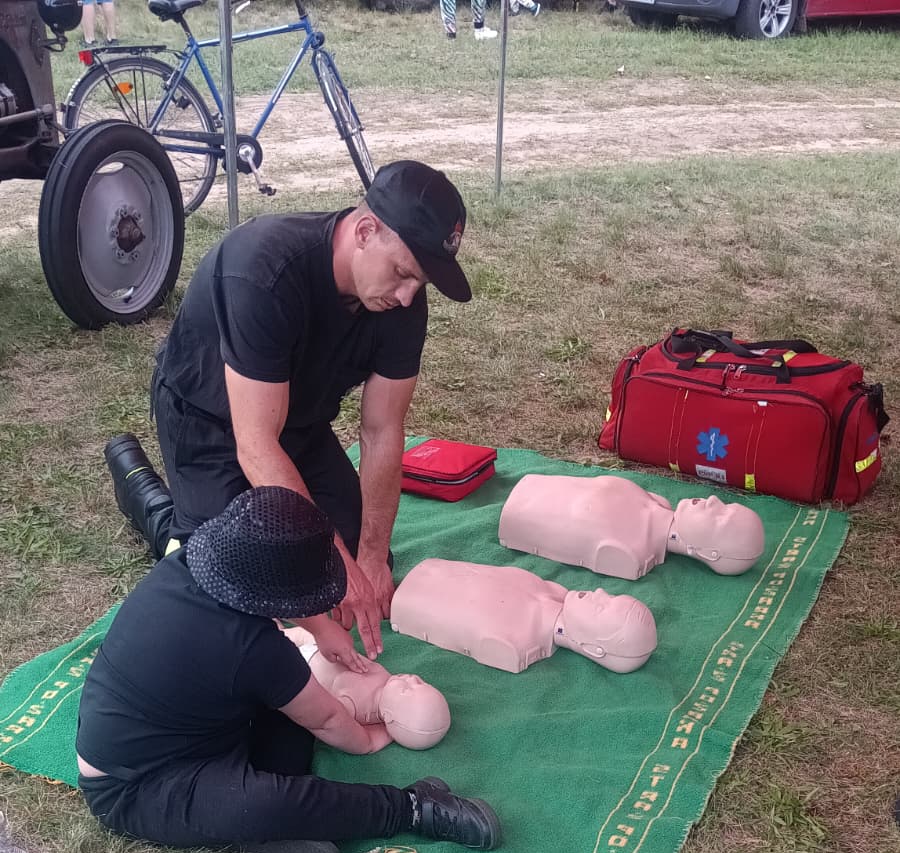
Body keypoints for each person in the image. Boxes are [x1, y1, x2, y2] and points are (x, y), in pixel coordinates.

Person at [104, 160, 472, 662]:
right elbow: (255, 443)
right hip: (207, 422)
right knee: (234, 580)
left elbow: (384, 429)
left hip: (300, 425)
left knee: (352, 562)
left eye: (421, 282)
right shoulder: (265, 268)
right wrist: (332, 562)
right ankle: (157, 508)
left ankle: (203, 520)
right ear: (365, 232)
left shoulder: (403, 301)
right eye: (403, 274)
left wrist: (367, 558)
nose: (408, 296)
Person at [75, 487, 501, 853]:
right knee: (264, 800)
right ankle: (411, 808)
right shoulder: (250, 646)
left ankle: (263, 830)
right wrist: (369, 740)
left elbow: (261, 593)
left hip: (206, 730)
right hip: (137, 786)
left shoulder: (190, 566)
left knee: (289, 721)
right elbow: (327, 720)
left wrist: (320, 628)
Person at [391, 560, 657, 674]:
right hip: (432, 575)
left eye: (602, 608)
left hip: (411, 599)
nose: (599, 592)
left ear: (593, 649)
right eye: (610, 597)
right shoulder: (552, 593)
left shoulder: (515, 643)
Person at [498, 476, 766, 580]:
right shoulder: (655, 503)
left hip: (519, 515)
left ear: (709, 553)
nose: (714, 500)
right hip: (532, 492)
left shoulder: (629, 552)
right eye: (725, 504)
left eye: (720, 518)